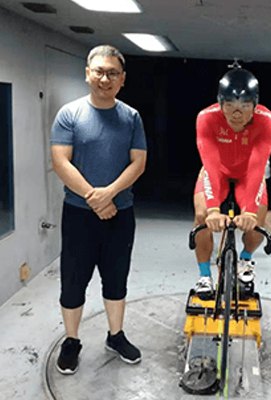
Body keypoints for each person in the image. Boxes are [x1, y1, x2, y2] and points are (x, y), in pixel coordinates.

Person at [50, 45, 147, 375]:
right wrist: (94, 198)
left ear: (122, 79)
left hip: (121, 213)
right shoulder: (70, 114)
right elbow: (60, 161)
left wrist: (110, 194)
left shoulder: (131, 117)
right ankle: (72, 341)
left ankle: (115, 335)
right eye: (100, 72)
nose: (105, 79)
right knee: (73, 281)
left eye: (113, 73)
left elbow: (138, 162)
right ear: (87, 74)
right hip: (79, 213)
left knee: (116, 277)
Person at [193, 66, 271, 298]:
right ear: (220, 103)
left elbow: (257, 166)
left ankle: (246, 259)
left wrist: (249, 212)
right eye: (229, 105)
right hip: (217, 170)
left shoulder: (267, 120)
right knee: (201, 216)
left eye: (245, 106)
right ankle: (204, 276)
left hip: (248, 173)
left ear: (255, 105)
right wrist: (213, 210)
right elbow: (210, 164)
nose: (237, 113)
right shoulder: (206, 118)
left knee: (257, 220)